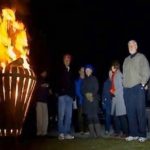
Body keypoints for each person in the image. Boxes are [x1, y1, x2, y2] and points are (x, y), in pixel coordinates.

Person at [123, 40, 150, 142]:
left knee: (140, 112)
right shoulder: (126, 60)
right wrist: (124, 86)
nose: (131, 46)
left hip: (138, 87)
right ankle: (133, 133)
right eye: (129, 45)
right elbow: (125, 75)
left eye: (132, 44)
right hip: (127, 90)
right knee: (130, 112)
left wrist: (143, 84)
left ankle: (142, 134)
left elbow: (146, 70)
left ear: (136, 46)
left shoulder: (141, 57)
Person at [57, 54, 75, 140]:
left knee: (69, 116)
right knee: (61, 115)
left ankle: (67, 133)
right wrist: (59, 91)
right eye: (66, 59)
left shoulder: (71, 71)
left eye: (69, 59)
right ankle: (61, 133)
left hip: (70, 96)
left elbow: (72, 84)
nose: (67, 60)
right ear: (63, 60)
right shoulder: (60, 69)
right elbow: (57, 81)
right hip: (62, 95)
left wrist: (73, 96)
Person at [81, 64, 101, 138]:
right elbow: (82, 90)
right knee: (89, 117)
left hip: (94, 100)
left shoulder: (94, 78)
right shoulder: (84, 80)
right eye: (86, 70)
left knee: (95, 116)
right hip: (87, 101)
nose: (87, 71)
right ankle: (92, 134)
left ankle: (98, 134)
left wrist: (91, 94)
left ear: (91, 71)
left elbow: (96, 88)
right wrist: (86, 95)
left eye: (89, 70)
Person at [110, 61, 128, 138]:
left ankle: (126, 132)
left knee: (122, 116)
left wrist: (114, 91)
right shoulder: (114, 75)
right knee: (115, 116)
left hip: (120, 98)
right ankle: (117, 132)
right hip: (115, 98)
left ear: (115, 67)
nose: (111, 68)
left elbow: (121, 87)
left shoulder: (120, 75)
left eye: (112, 67)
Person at [36, 70, 50, 136]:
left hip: (45, 101)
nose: (45, 73)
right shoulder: (37, 79)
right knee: (39, 117)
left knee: (45, 117)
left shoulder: (46, 80)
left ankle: (44, 132)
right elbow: (36, 87)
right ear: (41, 72)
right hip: (39, 101)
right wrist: (43, 85)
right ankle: (39, 132)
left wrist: (49, 90)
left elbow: (48, 90)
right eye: (44, 72)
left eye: (46, 72)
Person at [75, 66, 88, 134]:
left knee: (86, 115)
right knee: (80, 115)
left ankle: (86, 129)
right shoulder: (77, 81)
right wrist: (83, 97)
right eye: (82, 70)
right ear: (79, 72)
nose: (83, 72)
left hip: (86, 101)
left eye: (84, 71)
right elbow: (77, 91)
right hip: (80, 100)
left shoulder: (86, 80)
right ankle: (81, 130)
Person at [102, 70, 112, 135]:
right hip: (107, 101)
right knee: (107, 116)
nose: (111, 74)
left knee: (115, 117)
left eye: (112, 73)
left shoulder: (115, 81)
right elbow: (103, 93)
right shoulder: (106, 82)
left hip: (114, 101)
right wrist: (103, 101)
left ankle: (118, 130)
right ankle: (107, 129)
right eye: (109, 73)